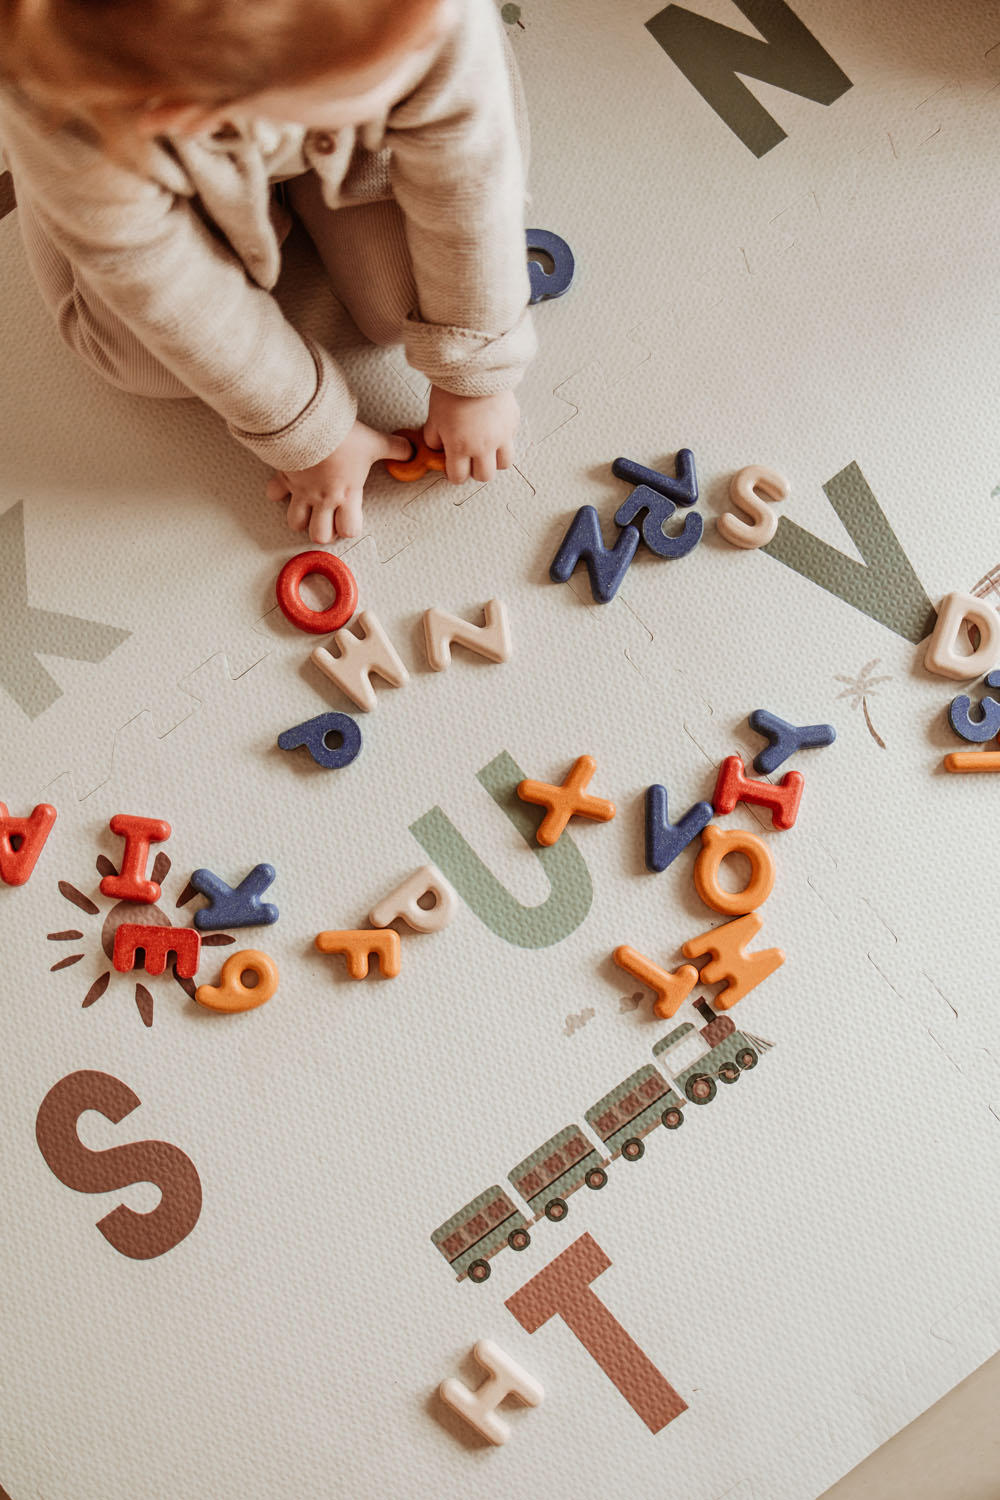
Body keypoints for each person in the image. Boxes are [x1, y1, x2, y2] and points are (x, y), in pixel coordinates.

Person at [0, 0, 535, 541]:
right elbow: (163, 284)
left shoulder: (428, 16)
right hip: (131, 157)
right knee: (142, 362)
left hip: (335, 120)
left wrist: (476, 372)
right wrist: (307, 431)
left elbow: (469, 170)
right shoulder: (74, 114)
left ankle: (346, 107)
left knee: (400, 304)